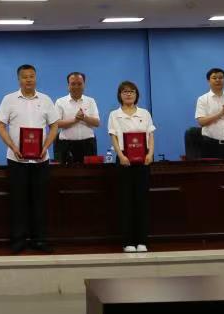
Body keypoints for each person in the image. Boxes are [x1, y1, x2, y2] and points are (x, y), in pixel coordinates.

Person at [0, 64, 59, 254]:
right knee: (18, 201)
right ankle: (18, 240)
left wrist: (45, 147)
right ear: (19, 79)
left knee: (40, 201)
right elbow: (0, 126)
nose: (29, 80)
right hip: (17, 160)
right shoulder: (9, 99)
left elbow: (54, 126)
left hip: (41, 160)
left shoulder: (46, 100)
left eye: (32, 76)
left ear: (36, 78)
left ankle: (40, 240)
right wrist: (13, 147)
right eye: (25, 77)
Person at [108, 81, 155, 253]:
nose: (128, 94)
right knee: (126, 201)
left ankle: (142, 240)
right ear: (120, 95)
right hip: (124, 161)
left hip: (143, 161)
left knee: (141, 201)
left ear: (136, 95)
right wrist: (121, 156)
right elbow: (113, 137)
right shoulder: (115, 114)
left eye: (132, 91)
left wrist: (150, 154)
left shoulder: (145, 113)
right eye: (125, 91)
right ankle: (128, 241)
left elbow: (150, 135)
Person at [55, 72, 100, 165]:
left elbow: (97, 123)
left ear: (84, 85)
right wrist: (75, 120)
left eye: (79, 84)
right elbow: (56, 124)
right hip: (66, 145)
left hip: (88, 145)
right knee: (65, 173)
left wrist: (84, 117)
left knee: (90, 173)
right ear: (68, 85)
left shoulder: (90, 101)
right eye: (73, 84)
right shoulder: (60, 102)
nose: (76, 87)